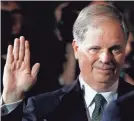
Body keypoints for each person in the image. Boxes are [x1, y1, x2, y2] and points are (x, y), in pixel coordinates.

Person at [1, 3, 134, 121]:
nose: (105, 58)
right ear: (76, 49)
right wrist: (11, 98)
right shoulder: (44, 108)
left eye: (115, 49)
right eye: (95, 49)